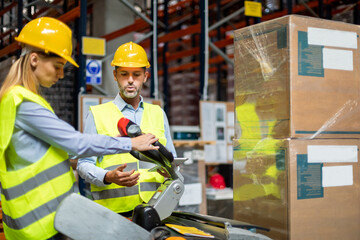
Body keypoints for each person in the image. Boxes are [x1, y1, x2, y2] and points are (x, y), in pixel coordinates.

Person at [0, 17, 159, 240]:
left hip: (45, 219)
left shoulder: (23, 100)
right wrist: (129, 143)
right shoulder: (23, 103)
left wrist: (112, 140)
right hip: (39, 223)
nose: (61, 74)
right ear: (34, 60)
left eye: (137, 74)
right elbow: (76, 144)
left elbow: (64, 150)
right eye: (57, 66)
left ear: (145, 76)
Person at [77, 41, 177, 217]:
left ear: (145, 76)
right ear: (115, 75)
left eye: (136, 74)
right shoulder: (97, 114)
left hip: (156, 210)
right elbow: (84, 165)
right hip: (113, 215)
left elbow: (173, 161)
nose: (130, 80)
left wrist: (170, 171)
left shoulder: (158, 113)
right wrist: (108, 176)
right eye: (124, 74)